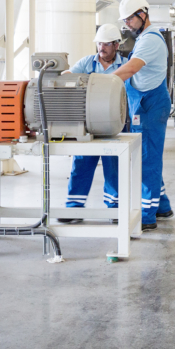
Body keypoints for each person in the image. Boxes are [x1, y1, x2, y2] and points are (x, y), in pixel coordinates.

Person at [111, 0, 174, 231]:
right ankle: (162, 205)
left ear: (142, 14)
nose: (126, 23)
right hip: (145, 102)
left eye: (129, 19)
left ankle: (147, 215)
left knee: (148, 158)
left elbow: (132, 68)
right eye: (125, 20)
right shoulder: (143, 38)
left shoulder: (150, 40)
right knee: (149, 156)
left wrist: (100, 82)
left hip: (151, 104)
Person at [57, 24, 128, 224]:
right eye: (99, 44)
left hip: (114, 123)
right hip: (89, 123)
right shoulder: (87, 63)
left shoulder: (125, 65)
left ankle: (115, 208)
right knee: (81, 163)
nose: (101, 48)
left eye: (106, 44)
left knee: (113, 166)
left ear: (116, 45)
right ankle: (74, 208)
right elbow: (68, 77)